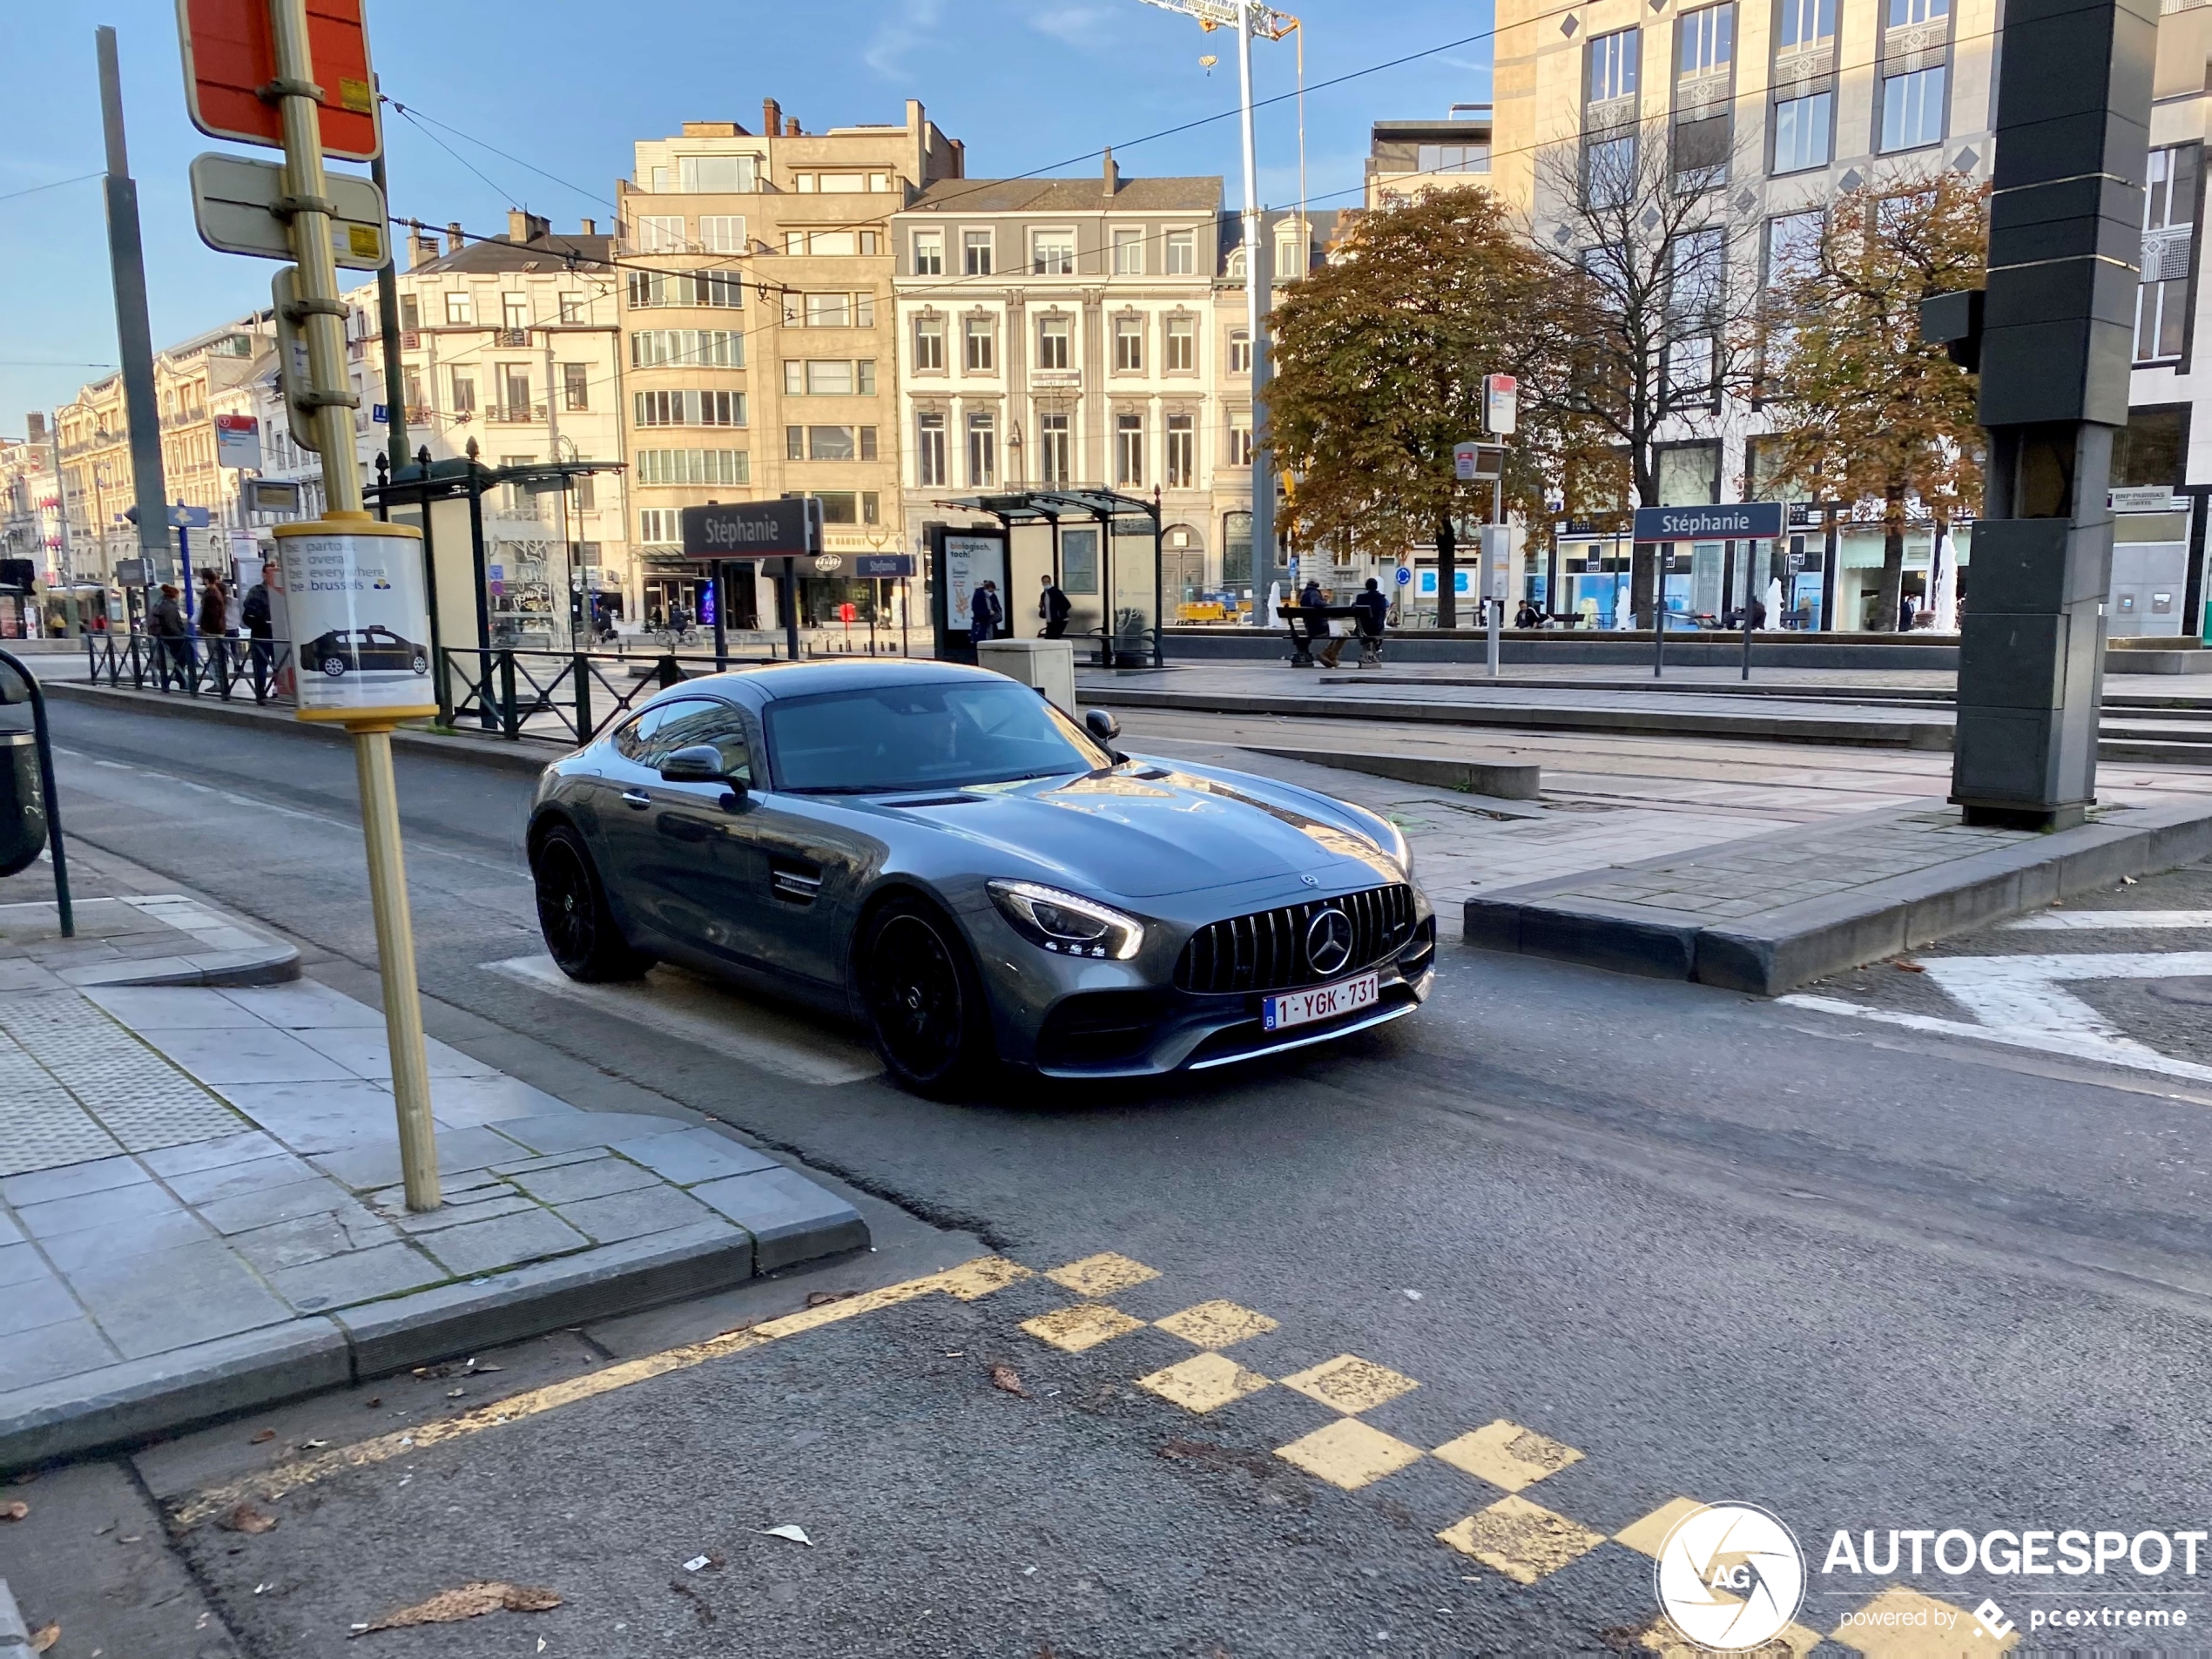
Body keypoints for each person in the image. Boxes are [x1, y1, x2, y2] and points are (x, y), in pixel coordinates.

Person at [149, 583, 191, 687]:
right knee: (181, 659)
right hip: (172, 637)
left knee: (171, 659)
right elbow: (172, 625)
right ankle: (181, 680)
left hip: (163, 635)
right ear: (174, 596)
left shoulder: (160, 604)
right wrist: (181, 635)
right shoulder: (170, 607)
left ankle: (168, 681)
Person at [241, 560, 278, 678]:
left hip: (279, 634)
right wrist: (262, 620)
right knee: (260, 664)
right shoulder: (256, 591)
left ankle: (279, 689)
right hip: (261, 633)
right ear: (264, 574)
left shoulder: (282, 591)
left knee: (279, 664)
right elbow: (249, 611)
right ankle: (261, 691)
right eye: (269, 573)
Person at [1037, 573, 1071, 639]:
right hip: (1050, 621)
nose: (1046, 583)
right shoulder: (1043, 595)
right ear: (1042, 583)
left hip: (1059, 620)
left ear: (1050, 582)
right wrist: (1041, 607)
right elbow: (1043, 614)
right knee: (1049, 639)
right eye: (1044, 582)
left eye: (1048, 582)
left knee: (1052, 638)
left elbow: (1067, 604)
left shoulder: (1056, 592)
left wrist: (1059, 613)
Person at [970, 579, 1003, 643]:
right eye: (990, 591)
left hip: (991, 622)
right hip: (981, 623)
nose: (991, 593)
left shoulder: (993, 596)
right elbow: (976, 610)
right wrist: (988, 612)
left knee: (992, 639)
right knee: (982, 640)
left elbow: (998, 607)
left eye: (993, 591)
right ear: (985, 589)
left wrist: (996, 613)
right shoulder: (978, 595)